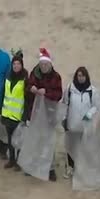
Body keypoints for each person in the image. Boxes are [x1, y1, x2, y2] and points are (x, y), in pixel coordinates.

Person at [25, 47, 63, 181]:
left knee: (49, 141)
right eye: (42, 64)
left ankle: (50, 168)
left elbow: (58, 94)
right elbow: (28, 87)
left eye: (46, 64)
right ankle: (33, 166)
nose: (44, 66)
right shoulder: (34, 74)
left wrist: (45, 92)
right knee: (35, 140)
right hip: (35, 113)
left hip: (49, 113)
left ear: (50, 64)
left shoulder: (56, 77)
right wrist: (32, 89)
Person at [62, 67, 100, 179]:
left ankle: (83, 169)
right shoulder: (70, 89)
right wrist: (64, 118)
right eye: (79, 75)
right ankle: (70, 168)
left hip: (85, 125)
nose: (81, 78)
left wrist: (88, 116)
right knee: (71, 147)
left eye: (83, 76)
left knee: (85, 147)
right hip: (72, 124)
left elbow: (96, 106)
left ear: (86, 77)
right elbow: (65, 104)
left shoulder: (92, 90)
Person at [0, 51, 28, 171]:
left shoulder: (25, 79)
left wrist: (25, 115)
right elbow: (3, 94)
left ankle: (19, 161)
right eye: (14, 64)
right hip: (7, 114)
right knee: (10, 139)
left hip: (18, 115)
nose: (16, 66)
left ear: (21, 65)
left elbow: (27, 99)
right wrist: (0, 110)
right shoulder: (8, 77)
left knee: (19, 140)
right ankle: (11, 160)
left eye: (18, 64)